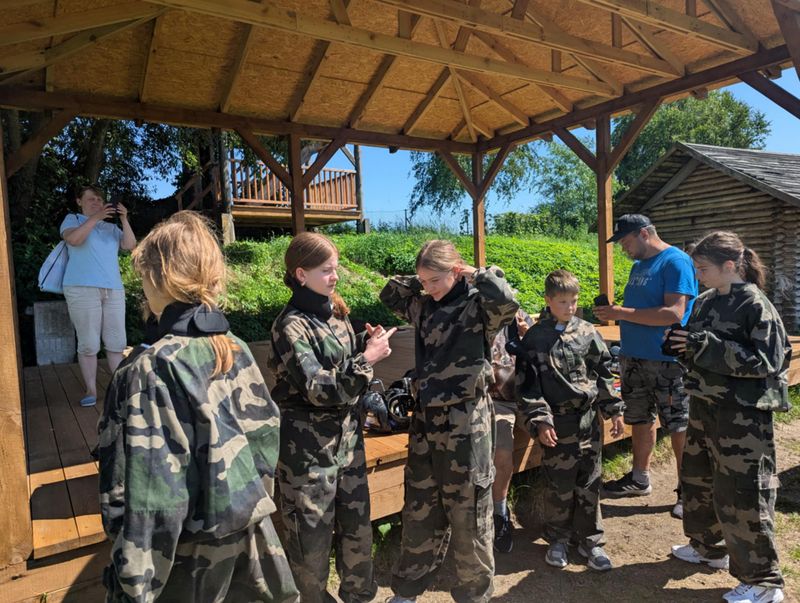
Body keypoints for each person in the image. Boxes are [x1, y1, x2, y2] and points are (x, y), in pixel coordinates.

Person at [97, 211, 298, 603]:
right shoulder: (235, 347)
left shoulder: (147, 368)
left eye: (143, 276)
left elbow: (148, 493)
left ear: (159, 277)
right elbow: (265, 439)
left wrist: (134, 584)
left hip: (181, 562)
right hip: (249, 537)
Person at [381, 240, 519, 603]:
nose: (429, 288)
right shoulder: (424, 305)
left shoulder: (478, 306)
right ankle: (408, 590)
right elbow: (390, 292)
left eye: (435, 280)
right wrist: (425, 277)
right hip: (426, 420)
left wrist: (474, 273)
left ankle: (474, 595)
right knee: (419, 507)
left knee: (469, 511)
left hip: (467, 421)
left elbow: (507, 300)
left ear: (456, 271)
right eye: (424, 281)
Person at [268, 232, 395, 603]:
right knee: (310, 550)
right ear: (301, 274)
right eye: (326, 270)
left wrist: (363, 345)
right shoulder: (290, 325)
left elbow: (341, 364)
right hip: (307, 455)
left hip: (348, 446)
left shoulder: (335, 312)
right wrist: (367, 360)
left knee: (358, 539)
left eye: (335, 268)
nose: (335, 276)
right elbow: (318, 388)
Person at [667, 231, 789, 603]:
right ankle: (709, 548)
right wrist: (682, 345)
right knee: (699, 483)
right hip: (704, 407)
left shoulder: (755, 304)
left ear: (730, 265)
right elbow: (698, 345)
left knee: (744, 494)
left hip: (743, 418)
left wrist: (706, 346)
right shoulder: (706, 302)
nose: (697, 275)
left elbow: (768, 361)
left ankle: (764, 582)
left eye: (703, 268)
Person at [516, 270, 625, 571]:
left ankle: (590, 541)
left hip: (589, 421)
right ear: (548, 300)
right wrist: (541, 421)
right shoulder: (536, 339)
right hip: (557, 425)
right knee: (559, 484)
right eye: (562, 301)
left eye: (574, 301)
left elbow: (603, 373)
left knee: (590, 482)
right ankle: (558, 539)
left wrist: (614, 410)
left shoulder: (588, 331)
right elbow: (528, 387)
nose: (570, 307)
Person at [595, 214, 698, 518]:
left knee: (678, 425)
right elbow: (639, 310)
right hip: (633, 357)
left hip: (668, 361)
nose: (623, 248)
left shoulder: (675, 262)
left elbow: (674, 313)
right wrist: (616, 313)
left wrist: (621, 313)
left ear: (643, 234)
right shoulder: (639, 265)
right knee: (640, 419)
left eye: (625, 241)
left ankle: (688, 491)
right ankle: (639, 479)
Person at [61, 185, 136, 407]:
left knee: (116, 342)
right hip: (81, 288)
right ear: (79, 201)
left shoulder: (110, 227)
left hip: (113, 289)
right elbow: (74, 240)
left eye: (100, 199)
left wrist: (124, 219)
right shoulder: (72, 219)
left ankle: (120, 388)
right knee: (88, 342)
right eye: (91, 199)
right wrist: (95, 218)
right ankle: (91, 389)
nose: (96, 202)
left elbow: (130, 245)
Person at [490, 308, 534, 554]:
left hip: (527, 397)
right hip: (495, 401)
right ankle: (500, 513)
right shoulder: (476, 316)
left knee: (558, 433)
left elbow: (542, 356)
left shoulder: (520, 318)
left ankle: (561, 514)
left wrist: (530, 338)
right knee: (502, 451)